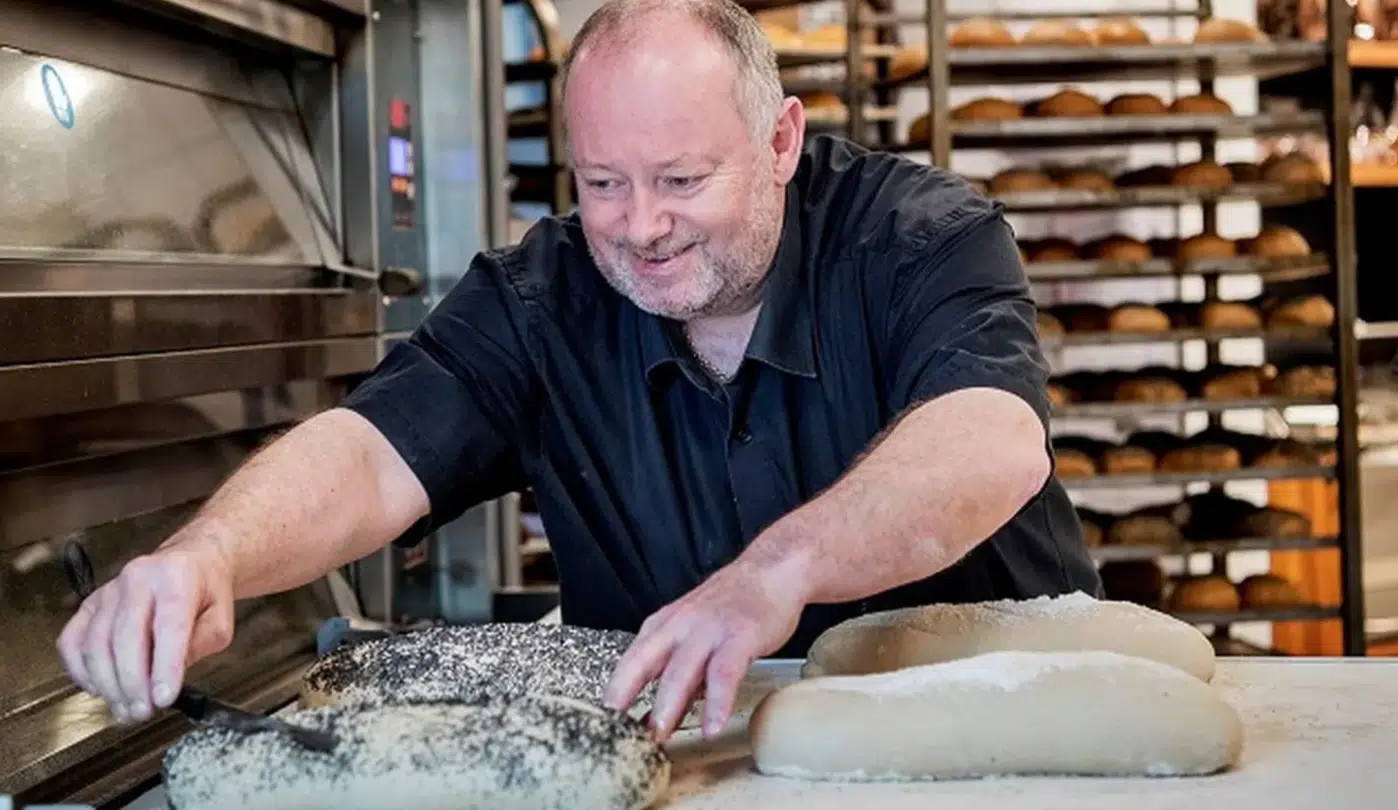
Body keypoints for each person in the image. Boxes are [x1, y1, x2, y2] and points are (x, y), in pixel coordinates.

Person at [56, 0, 1099, 743]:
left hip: (999, 746)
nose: (640, 226)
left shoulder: (919, 238)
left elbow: (988, 440)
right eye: (603, 182)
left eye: (682, 179)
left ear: (780, 141)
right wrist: (211, 557)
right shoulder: (541, 298)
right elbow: (373, 453)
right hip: (699, 768)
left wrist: (770, 577)